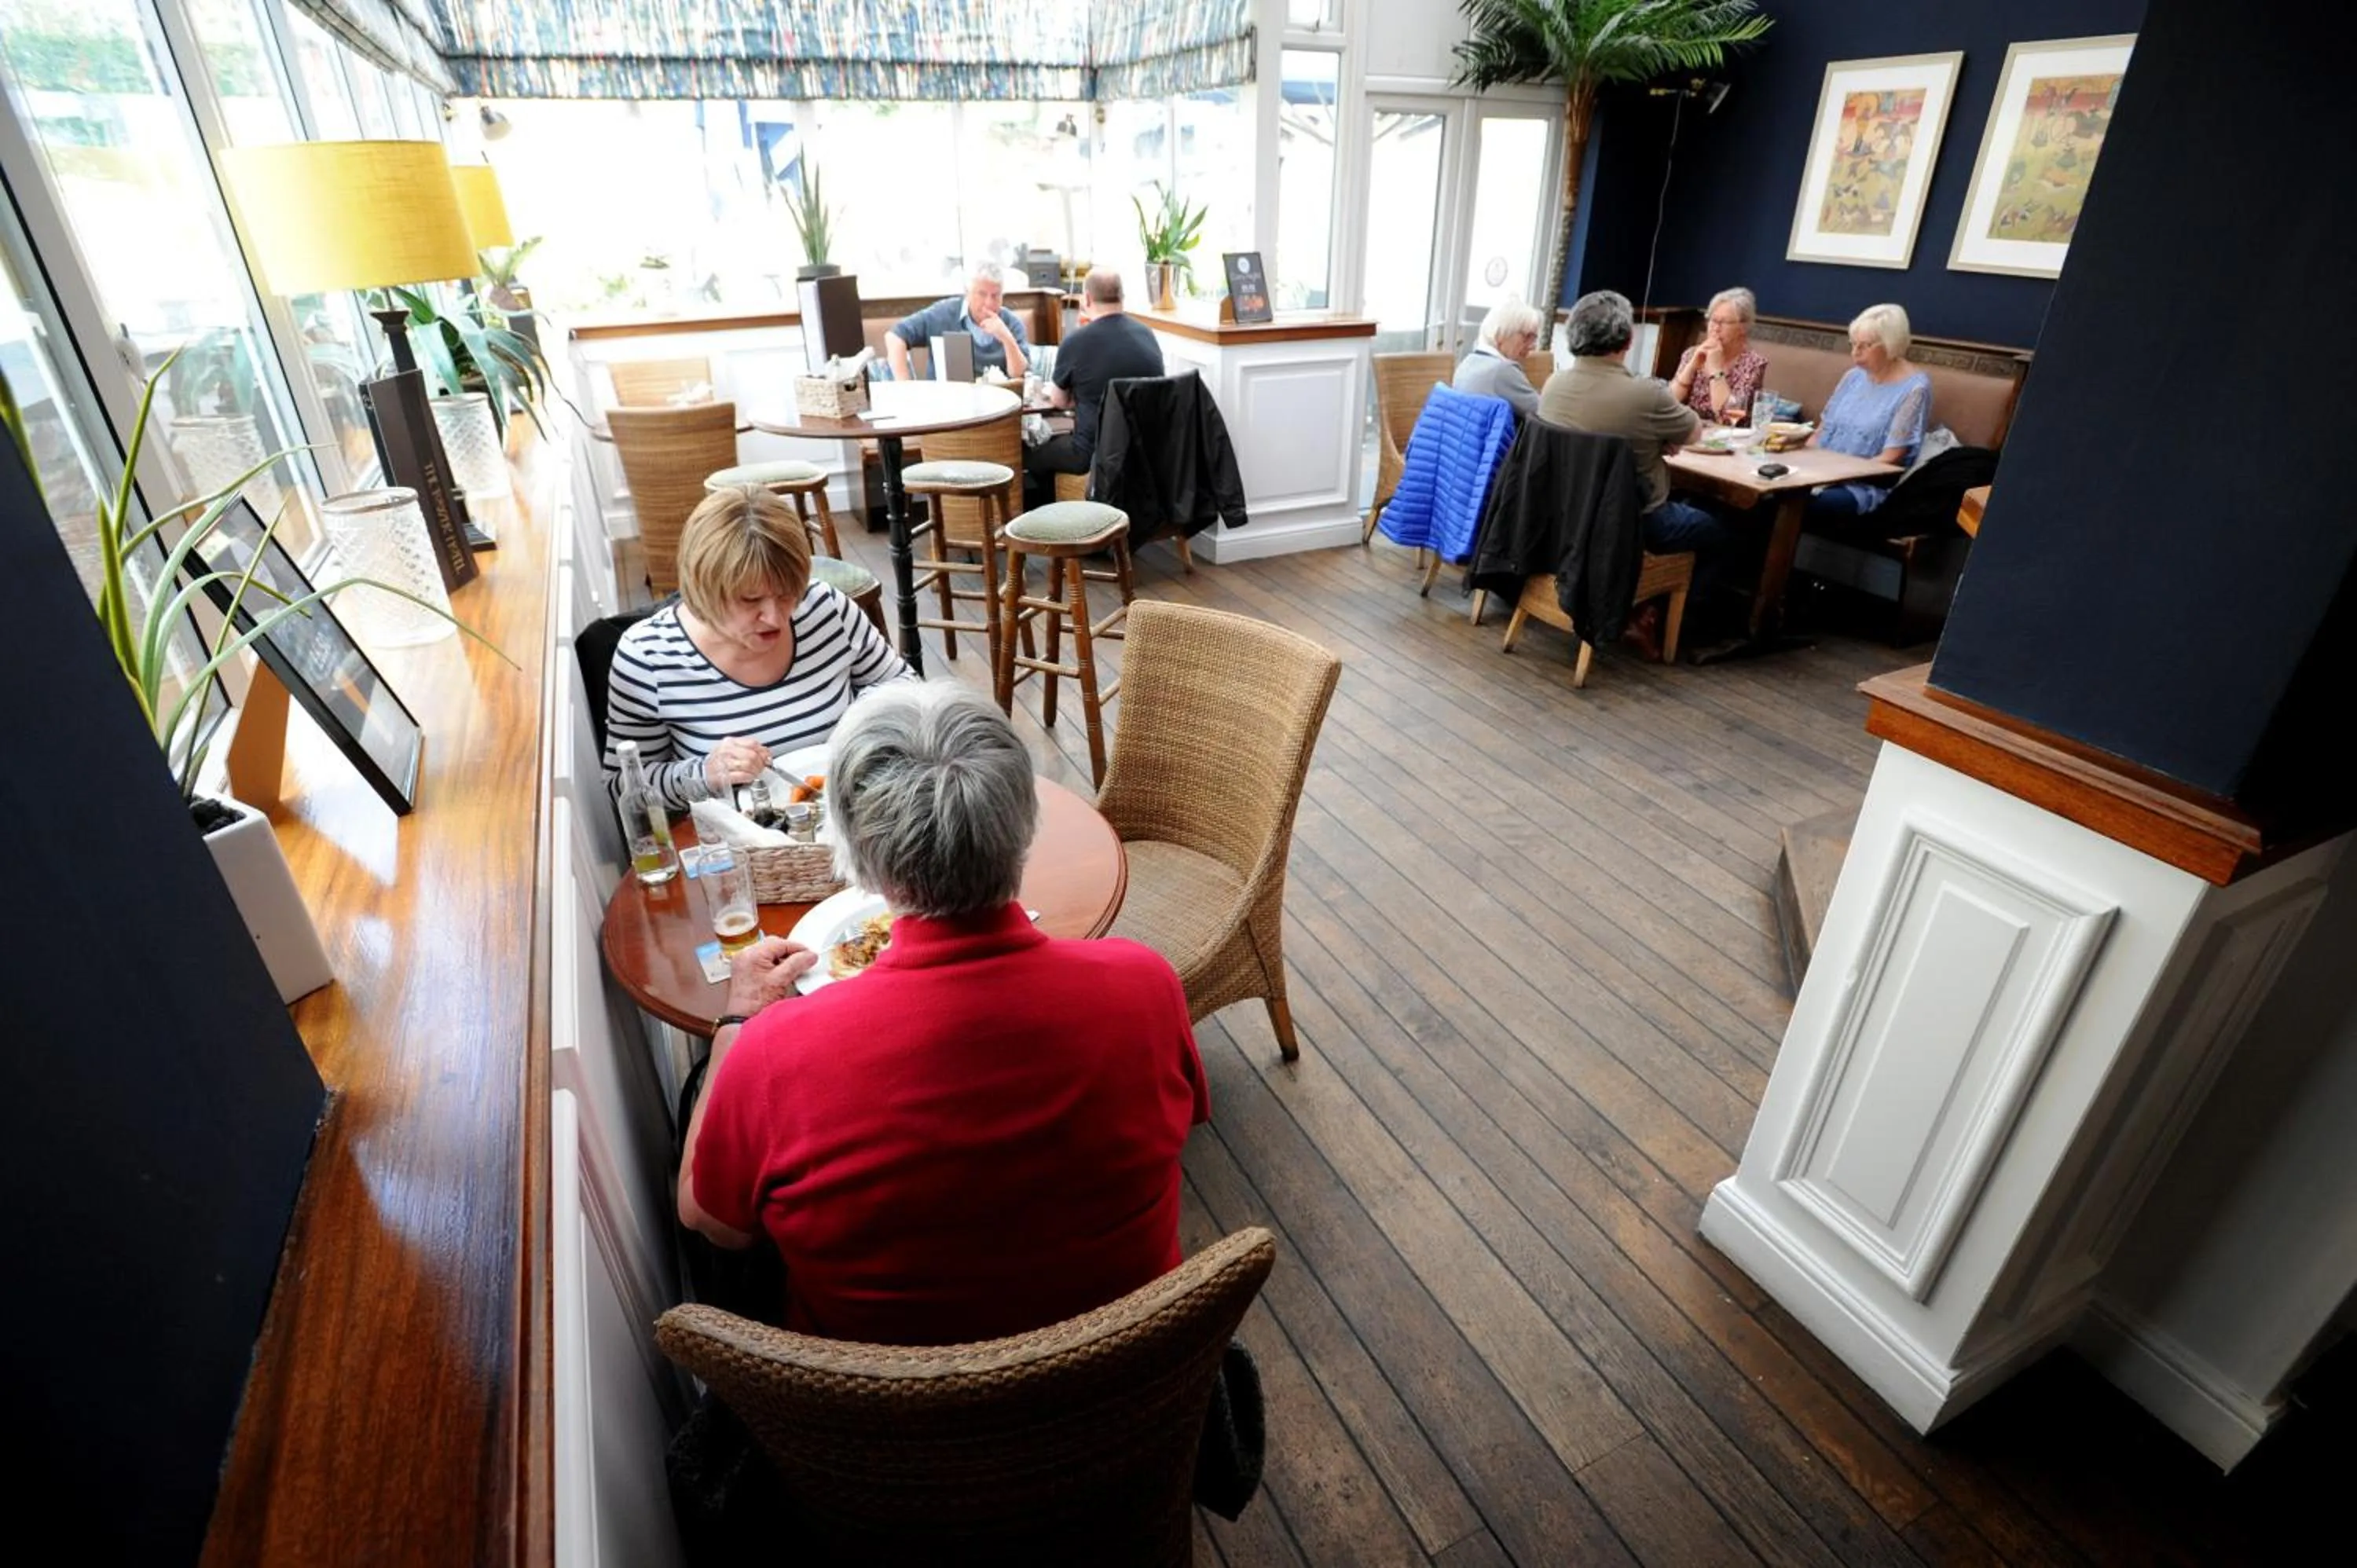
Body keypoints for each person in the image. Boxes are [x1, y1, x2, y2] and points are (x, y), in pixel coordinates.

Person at [677, 680, 1210, 1346]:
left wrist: (735, 1026)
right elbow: (1183, 1119)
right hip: (1134, 1375)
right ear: (1022, 829)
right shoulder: (1143, 983)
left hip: (886, 1403)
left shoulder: (774, 1054)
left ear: (858, 858)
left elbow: (712, 1222)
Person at [602, 486, 909, 810]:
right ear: (705, 588)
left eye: (787, 593)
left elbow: (905, 686)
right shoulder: (647, 657)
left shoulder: (826, 608)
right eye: (750, 600)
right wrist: (705, 773)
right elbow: (622, 787)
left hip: (851, 814)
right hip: (736, 836)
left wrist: (862, 722)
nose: (775, 618)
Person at [1537, 289, 1734, 651]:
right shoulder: (1643, 395)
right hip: (1631, 524)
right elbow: (1693, 432)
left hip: (1561, 517)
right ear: (1628, 340)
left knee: (1694, 509)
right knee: (1719, 531)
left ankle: (1644, 609)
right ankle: (1663, 623)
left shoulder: (1553, 385)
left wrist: (1652, 439)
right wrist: (1657, 439)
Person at [1024, 266, 1164, 504]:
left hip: (1092, 455)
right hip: (1147, 452)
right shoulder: (1147, 334)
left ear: (1087, 299)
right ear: (1121, 297)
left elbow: (1059, 400)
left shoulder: (1076, 342)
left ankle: (1056, 520)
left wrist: (1078, 396)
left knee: (1032, 455)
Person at [1805, 302, 1933, 521]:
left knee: (1795, 503)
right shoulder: (1853, 377)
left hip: (1861, 486)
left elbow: (1891, 457)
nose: (1855, 353)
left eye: (1865, 346)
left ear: (1891, 344)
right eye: (1853, 344)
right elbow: (1821, 433)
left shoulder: (1915, 389)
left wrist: (1837, 475)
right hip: (1817, 473)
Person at [883, 261, 1030, 382]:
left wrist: (1006, 338)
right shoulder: (942, 314)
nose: (989, 303)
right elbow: (895, 336)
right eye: (982, 294)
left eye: (996, 296)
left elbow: (1018, 374)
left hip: (999, 404)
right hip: (947, 402)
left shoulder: (1012, 323)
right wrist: (905, 386)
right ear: (967, 292)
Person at [1667, 287, 1769, 425]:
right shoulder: (1692, 354)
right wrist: (1691, 367)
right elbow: (1668, 404)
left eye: (1723, 322)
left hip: (1728, 434)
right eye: (1713, 320)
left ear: (1743, 327)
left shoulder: (1753, 364)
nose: (1715, 328)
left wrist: (1716, 370)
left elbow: (1728, 419)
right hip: (1690, 430)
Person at [1452, 299, 1545, 418]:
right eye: (1527, 337)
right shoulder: (1503, 371)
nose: (1532, 346)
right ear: (1501, 334)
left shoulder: (1468, 362)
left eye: (1534, 339)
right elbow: (1546, 412)